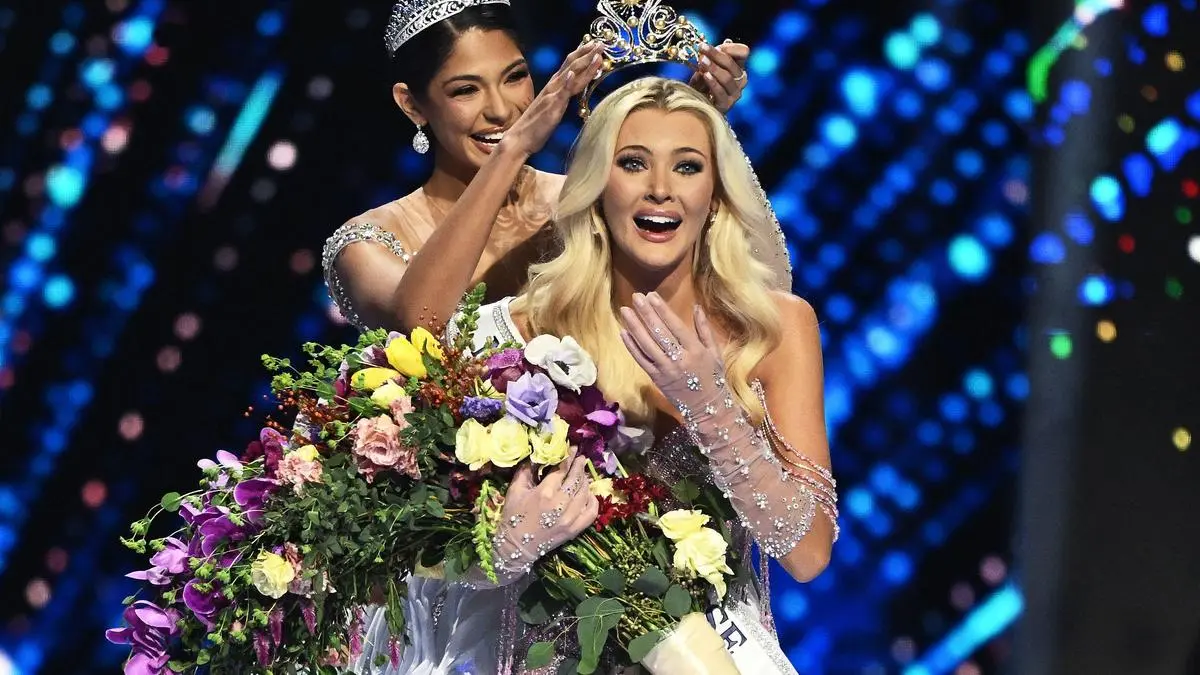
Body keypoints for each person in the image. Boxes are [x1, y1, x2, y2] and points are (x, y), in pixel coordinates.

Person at [360, 76, 837, 673]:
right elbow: (396, 545)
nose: (660, 190)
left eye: (687, 167)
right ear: (594, 187)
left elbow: (809, 552)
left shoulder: (774, 328)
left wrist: (711, 406)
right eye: (633, 163)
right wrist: (497, 552)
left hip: (712, 656)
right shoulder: (516, 334)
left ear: (715, 195)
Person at [321, 0, 753, 334]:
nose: (500, 110)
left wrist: (696, 117)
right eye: (466, 90)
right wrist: (513, 150)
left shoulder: (584, 201)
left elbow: (693, 280)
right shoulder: (366, 244)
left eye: (514, 78)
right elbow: (421, 323)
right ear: (412, 104)